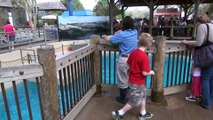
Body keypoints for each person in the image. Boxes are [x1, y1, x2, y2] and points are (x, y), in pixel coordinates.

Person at [111, 33, 155, 120]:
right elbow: (144, 73)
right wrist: (151, 72)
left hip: (133, 80)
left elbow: (129, 65)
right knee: (134, 101)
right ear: (149, 45)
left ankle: (143, 113)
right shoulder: (144, 57)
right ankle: (119, 113)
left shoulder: (133, 52)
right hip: (137, 82)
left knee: (143, 95)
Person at [102, 16, 138, 104]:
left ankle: (123, 98)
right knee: (130, 77)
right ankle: (131, 95)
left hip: (124, 59)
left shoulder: (121, 35)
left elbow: (108, 39)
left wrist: (104, 36)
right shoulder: (135, 32)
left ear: (124, 25)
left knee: (123, 79)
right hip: (133, 59)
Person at [182, 13, 213, 109]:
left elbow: (199, 43)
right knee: (211, 78)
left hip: (207, 56)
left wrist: (187, 42)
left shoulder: (202, 27)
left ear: (198, 21)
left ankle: (206, 103)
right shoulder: (212, 25)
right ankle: (209, 99)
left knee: (205, 79)